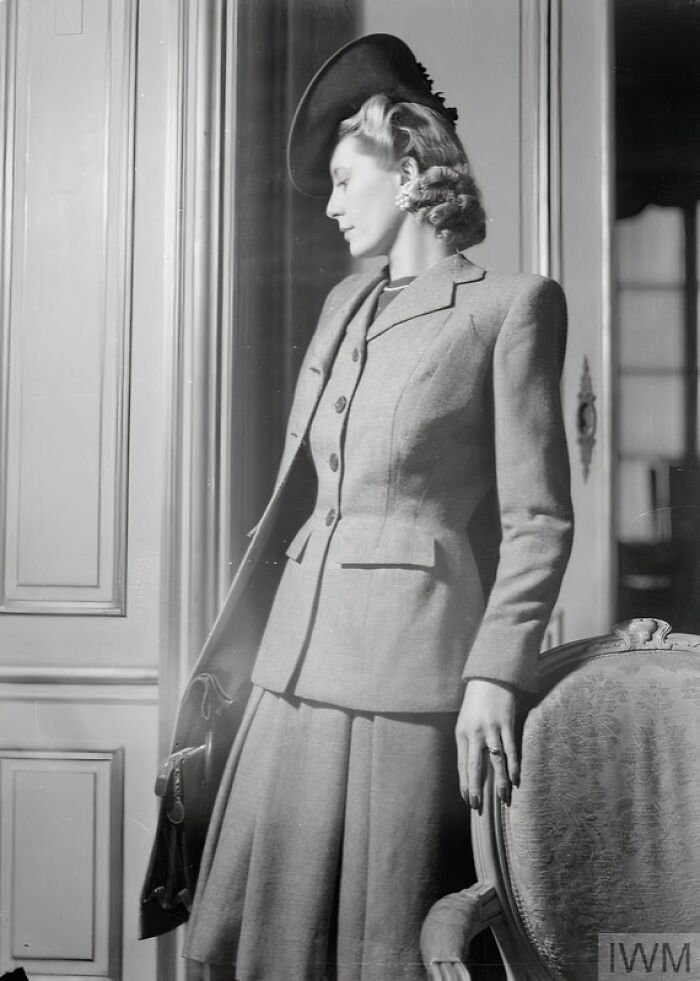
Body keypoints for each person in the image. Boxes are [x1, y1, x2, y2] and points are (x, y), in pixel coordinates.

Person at [146, 33, 573, 981]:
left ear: (411, 164)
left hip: (404, 678)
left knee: (377, 948)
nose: (332, 204)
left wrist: (495, 674)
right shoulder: (344, 302)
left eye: (345, 180)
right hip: (287, 662)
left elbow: (538, 518)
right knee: (244, 941)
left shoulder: (510, 306)